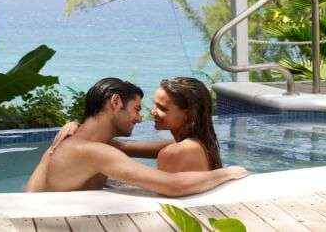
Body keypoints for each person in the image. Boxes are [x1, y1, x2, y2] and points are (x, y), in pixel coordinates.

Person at [24, 77, 247, 195]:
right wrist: (225, 173)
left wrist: (74, 123)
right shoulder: (92, 150)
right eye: (137, 109)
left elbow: (127, 149)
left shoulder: (81, 142)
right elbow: (173, 185)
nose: (141, 118)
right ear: (115, 102)